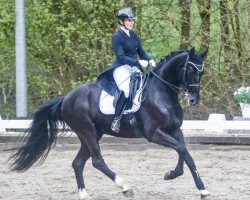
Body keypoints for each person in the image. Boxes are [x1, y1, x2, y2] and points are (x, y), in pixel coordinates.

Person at [96, 7, 156, 133]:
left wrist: (150, 60)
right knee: (126, 90)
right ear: (121, 22)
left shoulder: (133, 35)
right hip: (121, 68)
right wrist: (138, 62)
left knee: (145, 87)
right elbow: (121, 57)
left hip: (134, 68)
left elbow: (142, 52)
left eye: (132, 20)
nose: (131, 23)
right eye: (129, 21)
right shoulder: (117, 36)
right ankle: (117, 119)